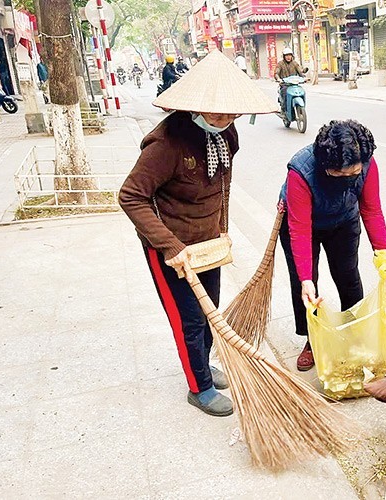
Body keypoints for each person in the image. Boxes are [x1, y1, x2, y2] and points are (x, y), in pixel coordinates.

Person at [118, 51, 277, 417]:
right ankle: (199, 386)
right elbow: (131, 196)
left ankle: (202, 364)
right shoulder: (166, 145)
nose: (224, 120)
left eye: (231, 113)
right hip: (170, 247)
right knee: (189, 318)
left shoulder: (227, 134)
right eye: (217, 113)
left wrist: (222, 228)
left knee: (209, 311)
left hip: (207, 243)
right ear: (194, 107)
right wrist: (170, 246)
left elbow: (223, 184)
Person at [278, 120, 386, 372]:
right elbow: (299, 228)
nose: (348, 179)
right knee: (305, 286)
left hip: (343, 221)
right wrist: (306, 278)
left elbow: (372, 210)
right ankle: (313, 340)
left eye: (353, 174)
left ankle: (354, 336)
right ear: (325, 166)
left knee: (348, 277)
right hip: (302, 224)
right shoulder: (301, 171)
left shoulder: (366, 162)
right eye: (339, 175)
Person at [274, 48, 304, 113]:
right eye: (286, 55)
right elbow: (276, 73)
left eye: (289, 55)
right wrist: (278, 79)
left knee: (302, 91)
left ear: (292, 56)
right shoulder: (280, 64)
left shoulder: (295, 63)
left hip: (294, 84)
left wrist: (304, 78)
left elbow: (300, 72)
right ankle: (284, 109)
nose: (288, 57)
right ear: (284, 56)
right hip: (285, 85)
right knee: (284, 93)